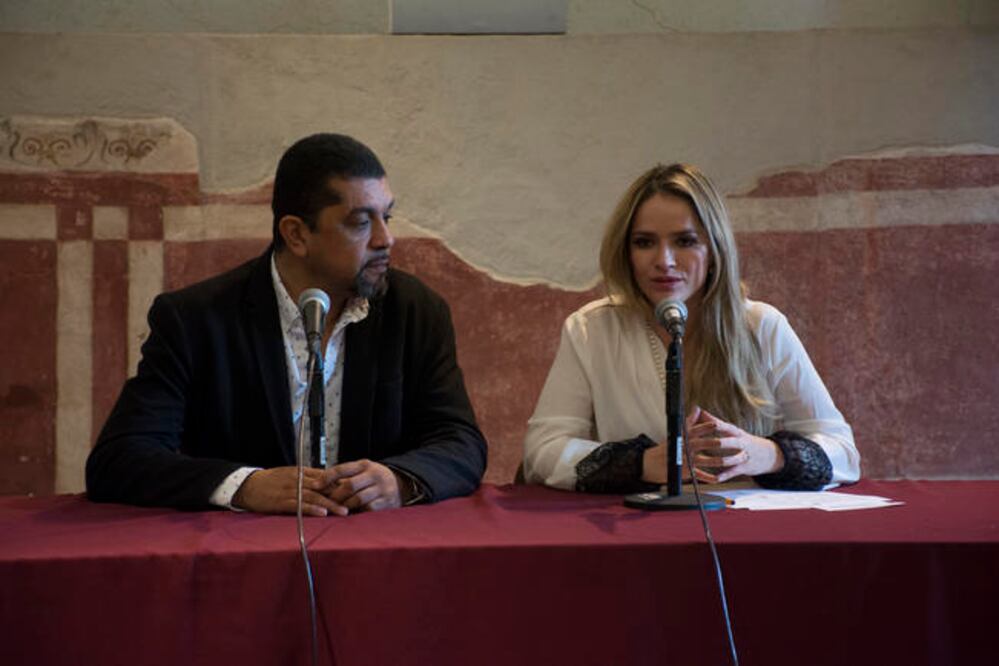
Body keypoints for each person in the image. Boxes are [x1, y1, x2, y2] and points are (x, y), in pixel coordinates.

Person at [87, 133, 487, 515]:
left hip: (374, 554)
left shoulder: (416, 311)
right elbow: (120, 458)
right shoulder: (195, 320)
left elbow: (461, 441)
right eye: (361, 222)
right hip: (241, 558)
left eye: (387, 216)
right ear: (296, 234)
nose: (386, 239)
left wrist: (398, 480)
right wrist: (244, 486)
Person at [523, 163, 859, 493]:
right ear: (625, 252)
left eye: (684, 241)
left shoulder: (762, 326)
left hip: (747, 532)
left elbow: (843, 451)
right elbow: (542, 452)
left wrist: (768, 455)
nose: (664, 261)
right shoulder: (591, 329)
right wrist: (644, 463)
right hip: (634, 529)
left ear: (714, 250)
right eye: (644, 242)